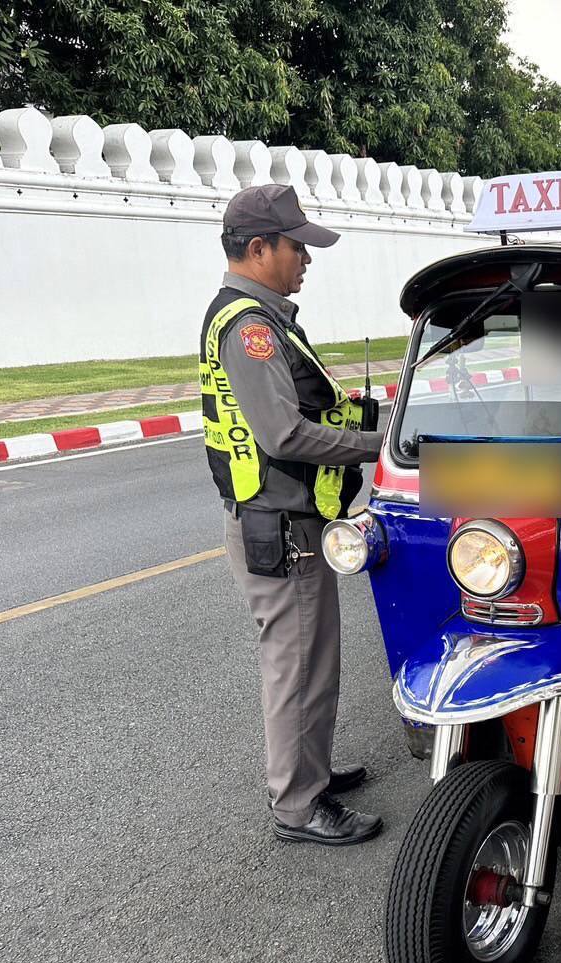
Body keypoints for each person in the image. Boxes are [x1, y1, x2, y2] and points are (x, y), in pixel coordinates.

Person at [201, 183, 385, 847]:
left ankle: (310, 773)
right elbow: (282, 435)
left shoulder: (258, 317)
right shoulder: (250, 328)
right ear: (259, 248)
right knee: (297, 664)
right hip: (277, 525)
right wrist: (379, 444)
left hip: (282, 518)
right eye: (297, 247)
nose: (306, 259)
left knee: (313, 659)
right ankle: (298, 806)